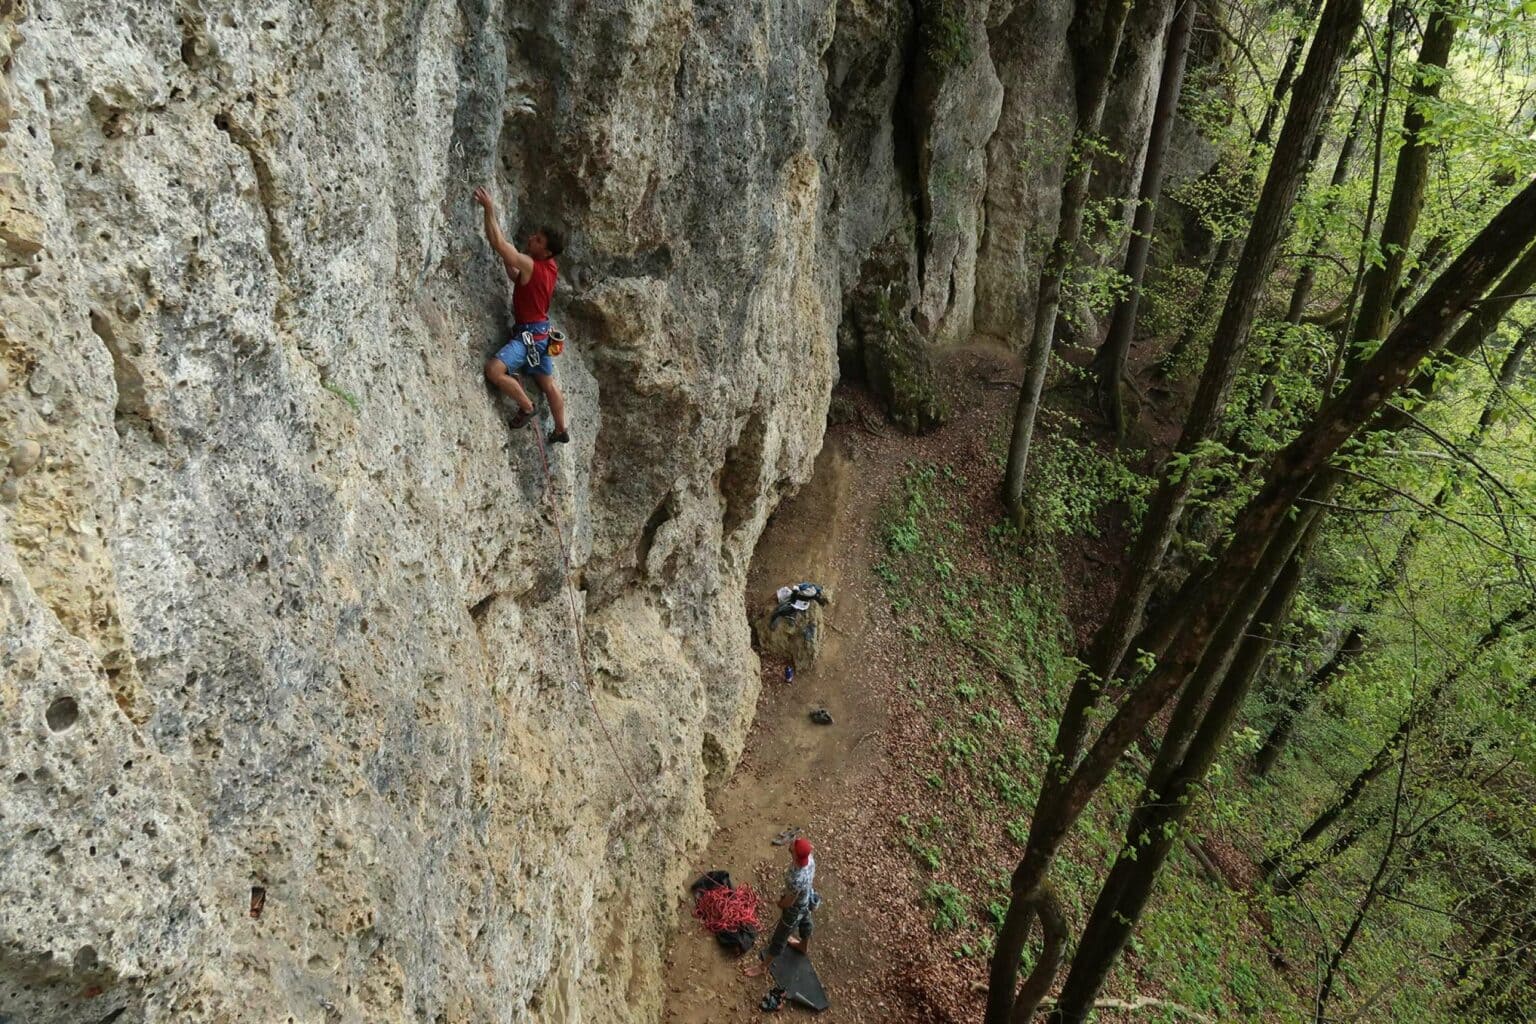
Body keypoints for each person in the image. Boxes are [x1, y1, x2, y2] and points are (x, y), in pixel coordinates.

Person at [474, 187, 570, 444]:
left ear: (547, 251)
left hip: (528, 337)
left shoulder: (533, 265)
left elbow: (498, 244)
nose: (532, 239)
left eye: (538, 241)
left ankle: (527, 407)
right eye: (535, 236)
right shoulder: (550, 267)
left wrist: (489, 210)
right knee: (547, 384)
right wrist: (510, 262)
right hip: (541, 334)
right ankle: (561, 430)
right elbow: (519, 279)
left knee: (494, 371)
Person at [743, 836, 818, 978]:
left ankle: (762, 967)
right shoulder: (810, 861)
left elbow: (789, 902)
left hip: (794, 909)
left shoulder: (795, 878)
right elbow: (809, 847)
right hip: (806, 899)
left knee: (780, 937)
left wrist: (780, 903)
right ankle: (803, 946)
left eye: (793, 846)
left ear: (795, 855)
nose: (791, 843)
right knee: (806, 922)